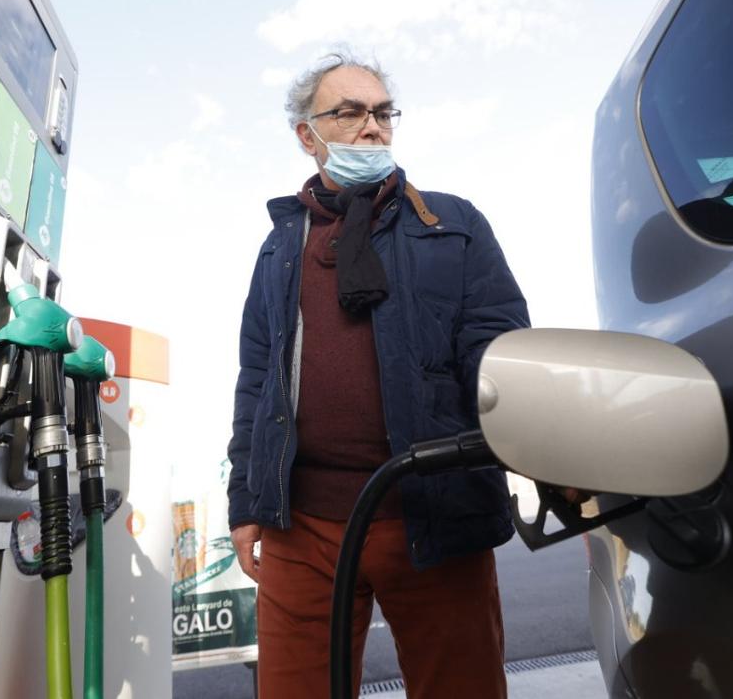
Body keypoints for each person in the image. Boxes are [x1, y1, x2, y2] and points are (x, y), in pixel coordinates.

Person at [225, 52, 530, 698]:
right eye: (351, 112)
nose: (373, 127)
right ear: (307, 135)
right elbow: (257, 375)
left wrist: (539, 438)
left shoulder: (452, 223)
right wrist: (246, 504)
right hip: (301, 525)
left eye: (383, 112)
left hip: (434, 510)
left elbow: (498, 348)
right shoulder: (281, 245)